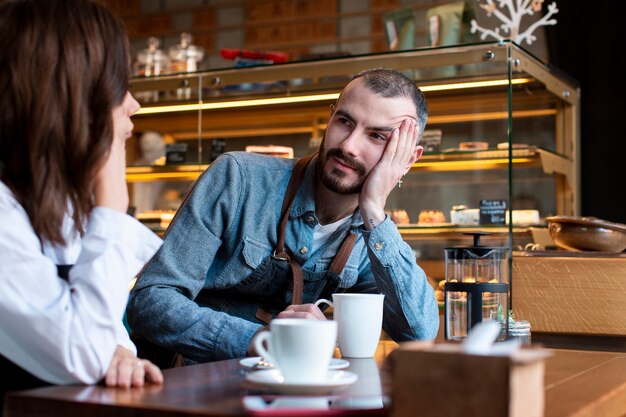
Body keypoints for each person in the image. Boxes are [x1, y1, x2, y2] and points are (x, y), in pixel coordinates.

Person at [127, 68, 439, 364]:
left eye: (377, 136)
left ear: (407, 159)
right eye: (345, 121)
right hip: (192, 384)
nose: (349, 146)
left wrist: (373, 210)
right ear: (330, 118)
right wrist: (262, 340)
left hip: (293, 392)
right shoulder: (238, 179)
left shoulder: (372, 235)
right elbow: (151, 301)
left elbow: (419, 332)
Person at [0, 0, 163, 407]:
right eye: (117, 86)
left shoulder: (59, 206)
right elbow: (84, 352)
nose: (133, 104)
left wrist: (120, 351)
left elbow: (100, 331)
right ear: (75, 97)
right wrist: (112, 199)